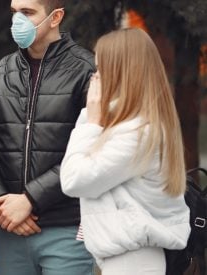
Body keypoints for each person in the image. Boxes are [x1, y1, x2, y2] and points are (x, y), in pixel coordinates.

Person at [0, 0, 96, 274]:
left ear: (55, 17)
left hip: (67, 229)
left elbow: (93, 150)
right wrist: (4, 203)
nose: (17, 21)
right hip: (9, 230)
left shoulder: (87, 71)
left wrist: (30, 200)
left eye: (28, 12)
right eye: (14, 12)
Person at [60, 28, 191, 275]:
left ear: (120, 72)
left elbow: (73, 180)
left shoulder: (137, 133)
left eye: (100, 70)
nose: (94, 78)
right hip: (126, 259)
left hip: (133, 262)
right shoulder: (132, 126)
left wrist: (91, 122)